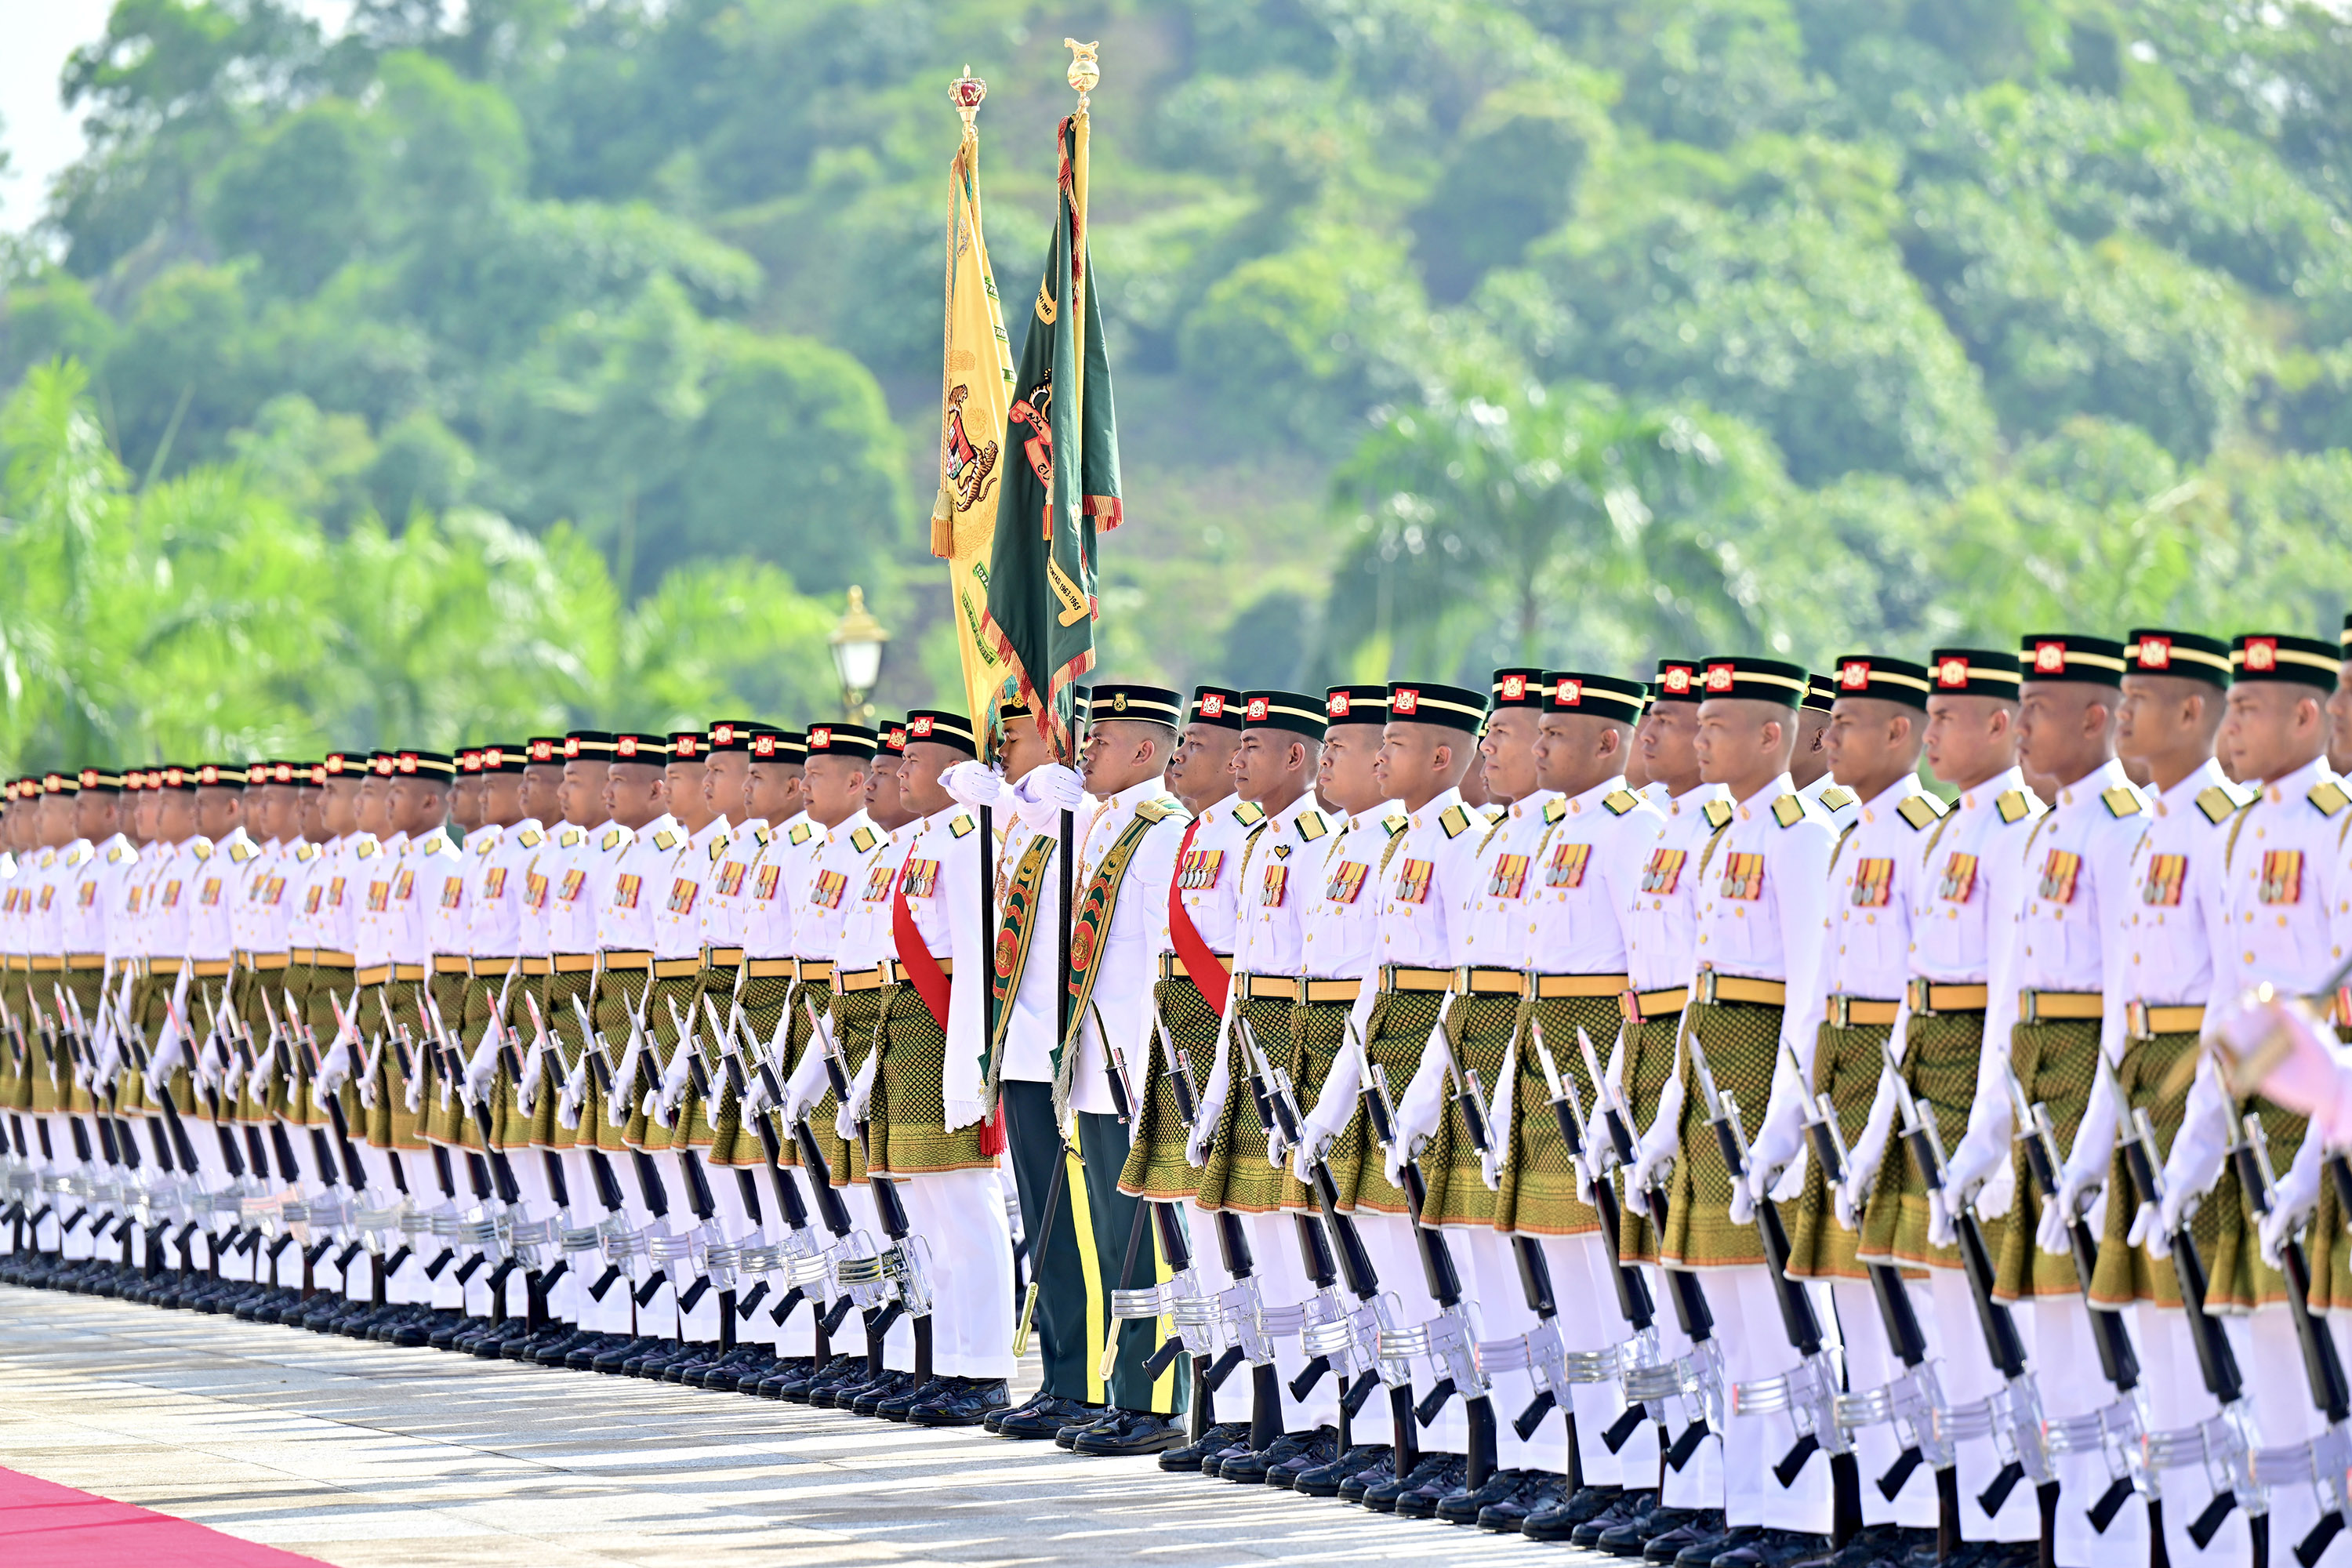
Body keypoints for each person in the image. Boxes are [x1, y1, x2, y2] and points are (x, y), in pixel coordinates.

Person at [1944, 634, 2152, 1568]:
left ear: (2096, 718)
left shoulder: (2121, 826)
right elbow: (2008, 998)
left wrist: (2101, 1137)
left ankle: (2126, 1537)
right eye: (2019, 706)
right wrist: (1988, 1126)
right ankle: (2066, 1536)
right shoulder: (2039, 832)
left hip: (2090, 1092)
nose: (2021, 725)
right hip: (2031, 1086)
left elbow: (2127, 1003)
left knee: (2108, 1327)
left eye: (2039, 709)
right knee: (2049, 1326)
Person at [1850, 648, 2043, 1563]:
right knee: (1945, 1306)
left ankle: (2017, 1524)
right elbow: (1913, 987)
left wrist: (1995, 1128)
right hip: (1926, 1069)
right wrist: (1882, 1114)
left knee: (1997, 1306)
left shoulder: (2014, 828)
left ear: (2000, 724)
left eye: (1948, 717)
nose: (1931, 733)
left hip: (1978, 1075)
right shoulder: (1947, 831)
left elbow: (2008, 989)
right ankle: (1966, 1516)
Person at [1760, 654, 1943, 1564]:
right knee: (1856, 1303)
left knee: (1916, 1308)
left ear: (1901, 733)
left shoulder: (1921, 833)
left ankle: (1935, 1516)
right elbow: (1816, 986)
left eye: (1847, 723)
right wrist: (1793, 1109)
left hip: (1902, 1077)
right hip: (1840, 1072)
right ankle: (1879, 1511)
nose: (1827, 737)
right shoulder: (1851, 836)